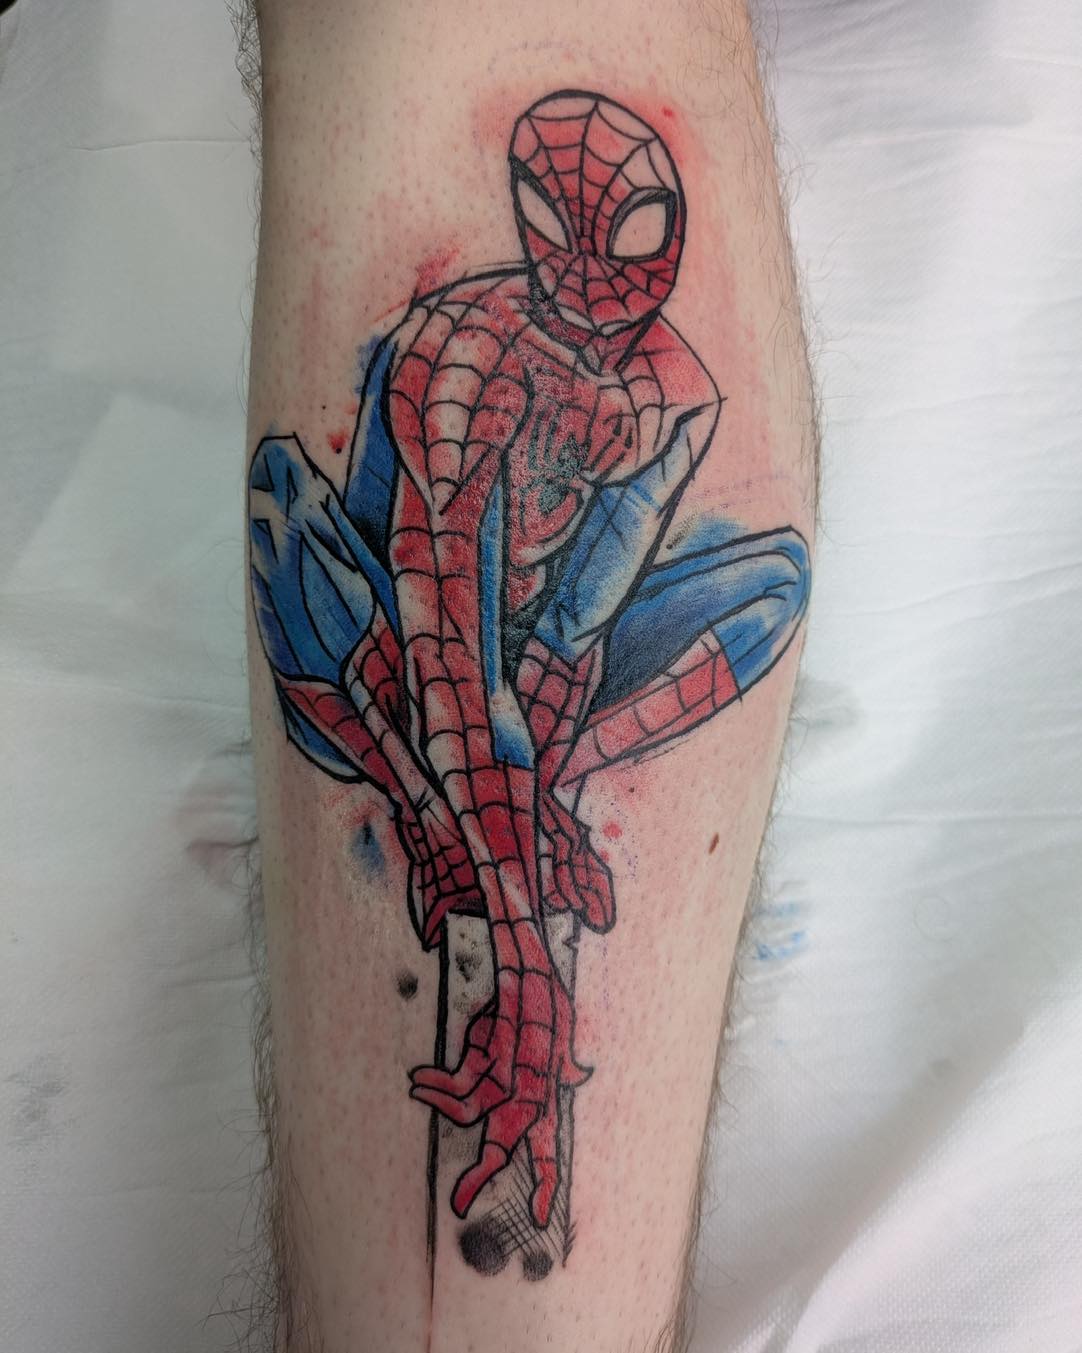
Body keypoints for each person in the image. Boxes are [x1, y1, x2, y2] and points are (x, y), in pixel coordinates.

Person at [241, 4, 817, 1349]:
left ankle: (528, 796)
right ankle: (467, 800)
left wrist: (546, 779)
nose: (606, 332)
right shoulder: (460, 364)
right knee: (288, 515)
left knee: (767, 581)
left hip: (532, 686)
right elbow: (446, 649)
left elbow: (570, 635)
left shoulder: (675, 392)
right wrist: (523, 965)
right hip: (389, 653)